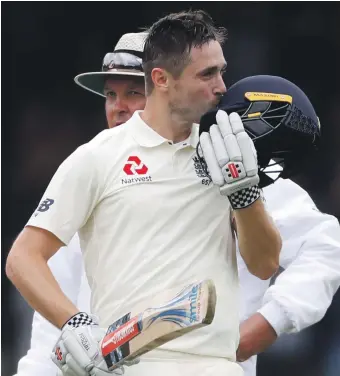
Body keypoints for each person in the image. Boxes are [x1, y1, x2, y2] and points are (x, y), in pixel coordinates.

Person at [13, 26, 340, 376]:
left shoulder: (229, 160)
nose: (119, 109)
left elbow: (323, 245)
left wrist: (263, 326)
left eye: (135, 92)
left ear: (164, 87)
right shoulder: (94, 168)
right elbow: (50, 320)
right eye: (111, 95)